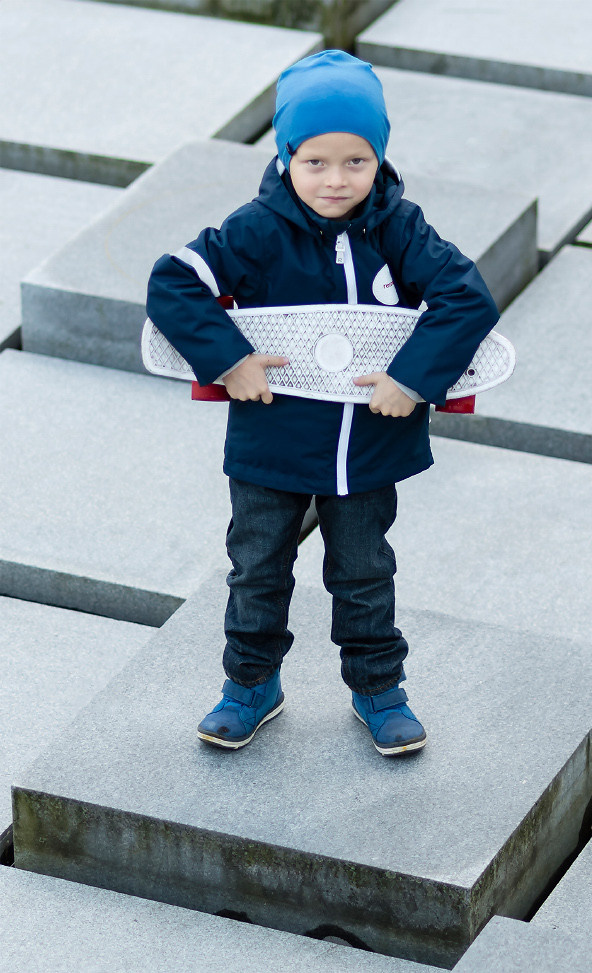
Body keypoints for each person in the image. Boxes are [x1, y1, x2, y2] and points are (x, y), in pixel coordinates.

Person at [146, 51, 499, 757]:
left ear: (380, 158)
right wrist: (229, 360)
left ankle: (378, 688)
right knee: (257, 567)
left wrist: (413, 376)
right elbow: (173, 282)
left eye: (356, 162)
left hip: (369, 446)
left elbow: (468, 298)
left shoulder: (399, 228)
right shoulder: (256, 229)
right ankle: (250, 684)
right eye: (316, 163)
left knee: (364, 570)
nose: (336, 180)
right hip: (270, 443)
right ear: (285, 157)